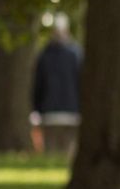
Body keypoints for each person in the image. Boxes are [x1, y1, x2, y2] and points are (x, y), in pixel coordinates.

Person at [31, 13, 82, 154]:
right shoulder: (76, 54)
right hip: (69, 111)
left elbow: (38, 86)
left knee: (53, 151)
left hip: (52, 111)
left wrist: (36, 108)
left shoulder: (44, 54)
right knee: (66, 151)